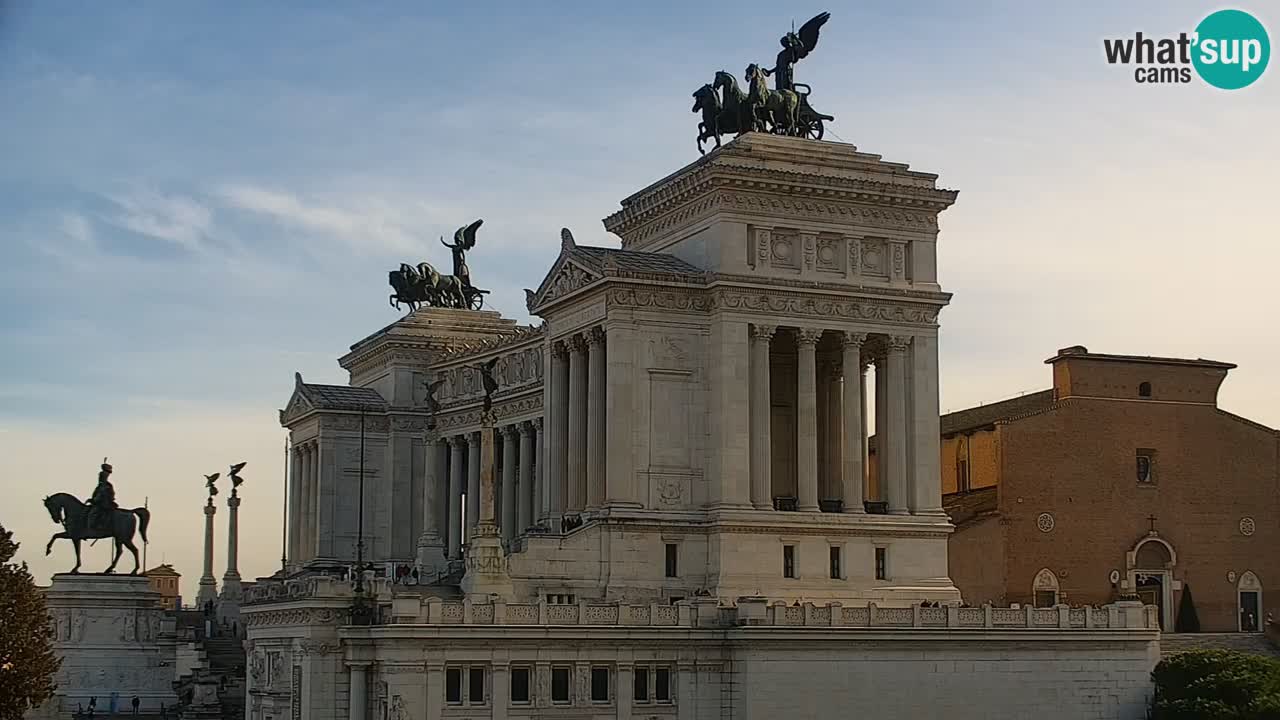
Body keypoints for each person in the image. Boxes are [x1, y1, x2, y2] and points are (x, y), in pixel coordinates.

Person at [86, 459, 117, 532]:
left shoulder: (105, 486)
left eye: (101, 476)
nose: (99, 477)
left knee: (93, 513)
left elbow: (100, 496)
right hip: (101, 502)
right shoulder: (102, 485)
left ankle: (94, 527)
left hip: (103, 504)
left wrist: (94, 500)